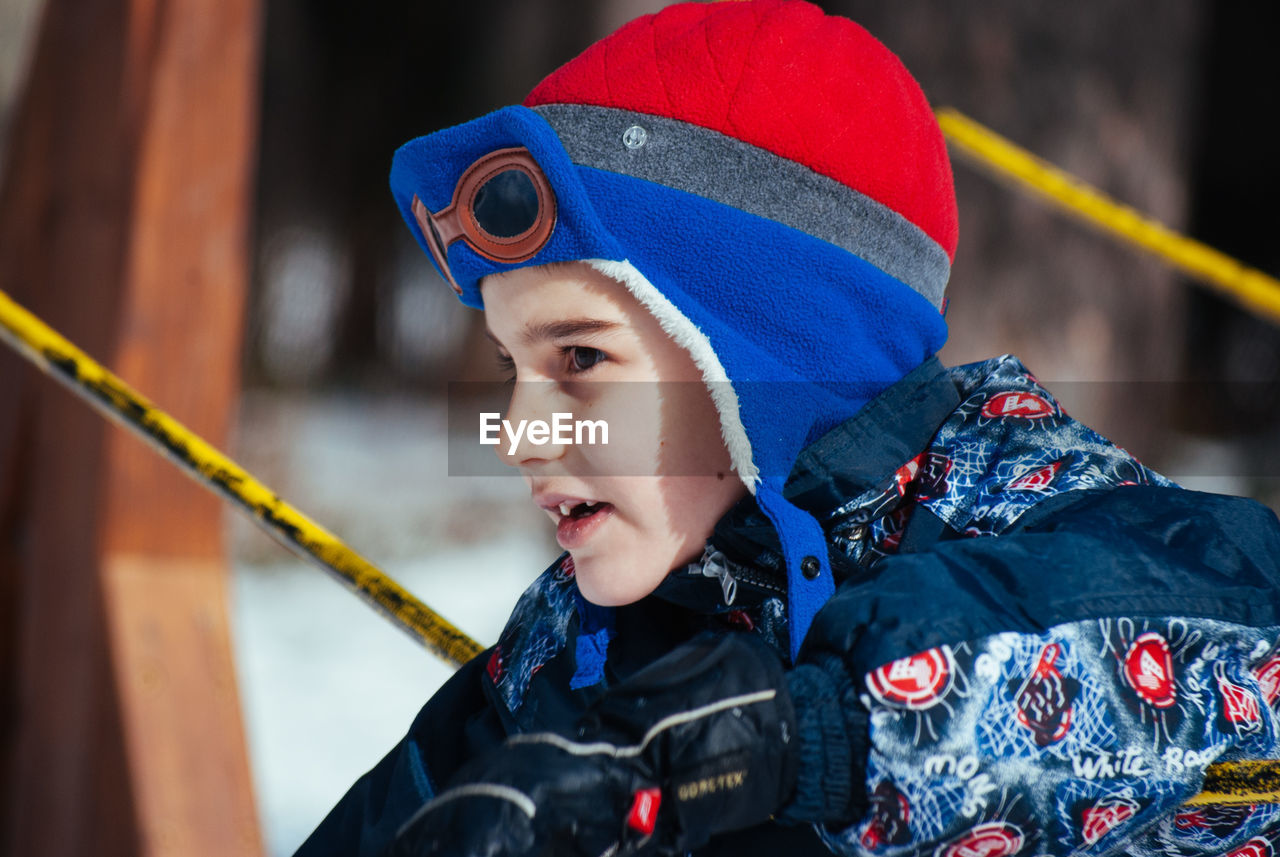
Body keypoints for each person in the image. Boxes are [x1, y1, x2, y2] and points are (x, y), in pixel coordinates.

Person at [295, 2, 1280, 856]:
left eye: (580, 360)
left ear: (760, 356)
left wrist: (789, 736)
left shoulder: (1008, 498)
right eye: (512, 367)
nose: (517, 431)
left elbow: (1223, 665)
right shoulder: (580, 645)